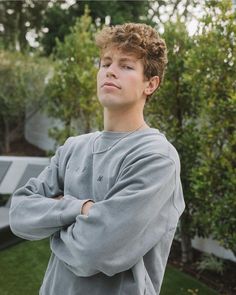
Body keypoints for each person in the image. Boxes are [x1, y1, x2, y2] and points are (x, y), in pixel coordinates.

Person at [9, 23, 185, 295]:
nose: (110, 71)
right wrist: (81, 209)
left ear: (150, 84)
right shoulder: (73, 147)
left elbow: (94, 252)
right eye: (105, 63)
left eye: (126, 66)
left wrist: (52, 224)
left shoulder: (157, 158)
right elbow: (19, 214)